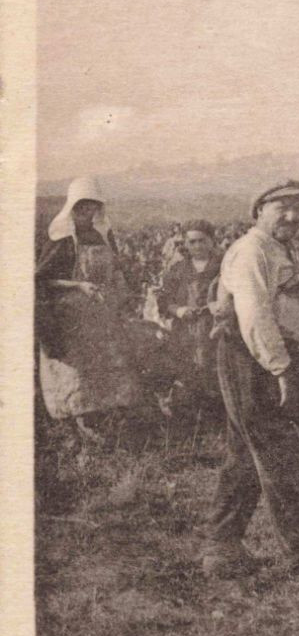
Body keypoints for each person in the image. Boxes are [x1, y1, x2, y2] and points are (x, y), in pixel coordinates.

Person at [204, 181, 299, 578]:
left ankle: (220, 549)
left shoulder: (275, 249)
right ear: (258, 210)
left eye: (297, 208)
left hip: (260, 356)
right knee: (279, 455)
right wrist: (281, 369)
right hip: (253, 359)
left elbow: (280, 291)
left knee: (244, 455)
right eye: (282, 208)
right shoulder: (252, 251)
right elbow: (255, 315)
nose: (292, 216)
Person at [35, 177, 143, 443]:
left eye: (92, 208)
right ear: (72, 208)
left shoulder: (102, 235)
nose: (87, 214)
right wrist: (78, 285)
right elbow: (42, 279)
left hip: (102, 315)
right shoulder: (61, 238)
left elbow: (115, 270)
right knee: (78, 375)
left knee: (107, 369)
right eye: (82, 208)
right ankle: (80, 431)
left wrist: (123, 295)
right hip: (71, 316)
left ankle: (106, 428)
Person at [156, 220, 224, 423]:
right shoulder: (177, 269)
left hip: (215, 327)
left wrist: (220, 305)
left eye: (202, 241)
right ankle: (191, 415)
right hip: (185, 329)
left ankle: (216, 414)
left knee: (214, 368)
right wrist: (179, 310)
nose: (197, 246)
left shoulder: (223, 266)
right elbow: (164, 301)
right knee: (188, 368)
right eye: (191, 242)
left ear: (212, 241)